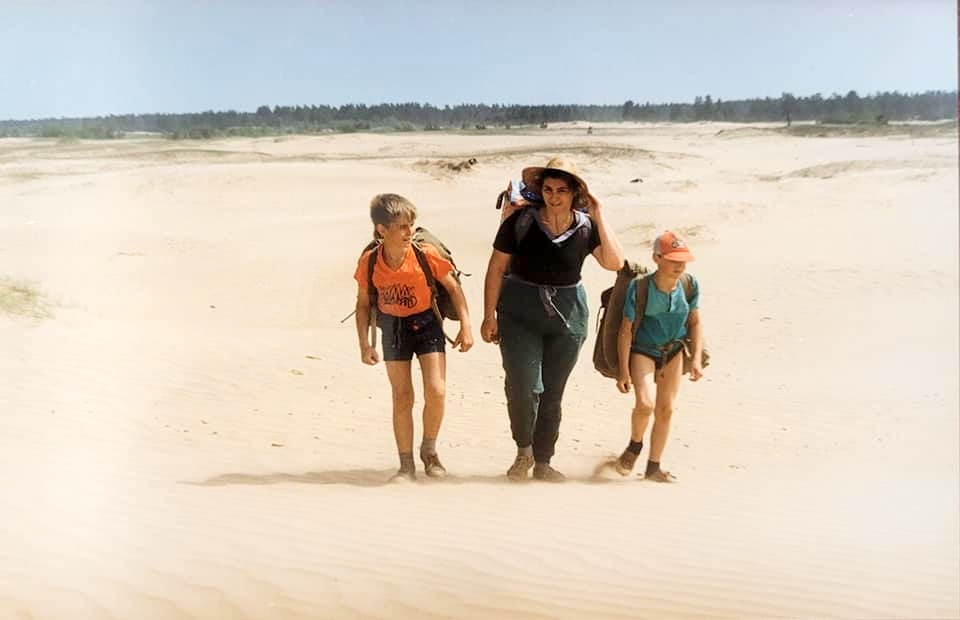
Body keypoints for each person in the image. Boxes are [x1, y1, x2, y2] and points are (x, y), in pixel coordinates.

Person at [481, 157, 624, 481]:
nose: (554, 196)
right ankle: (524, 452)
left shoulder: (586, 227)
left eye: (562, 190)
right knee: (523, 385)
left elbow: (615, 263)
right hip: (518, 312)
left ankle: (543, 461)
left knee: (552, 392)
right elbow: (496, 268)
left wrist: (600, 215)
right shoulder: (521, 222)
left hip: (569, 317)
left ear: (575, 192)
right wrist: (488, 315)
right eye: (548, 189)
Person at [354, 194, 473, 482]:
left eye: (411, 225)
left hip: (427, 323)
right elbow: (363, 304)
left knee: (437, 391)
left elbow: (454, 288)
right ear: (382, 230)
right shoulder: (370, 262)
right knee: (402, 396)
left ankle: (429, 451)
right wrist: (365, 345)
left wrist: (466, 326)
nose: (409, 232)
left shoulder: (426, 254)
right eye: (402, 227)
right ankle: (405, 465)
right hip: (393, 327)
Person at [612, 231, 705, 482]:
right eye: (673, 259)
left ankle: (653, 468)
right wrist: (623, 371)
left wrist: (695, 358)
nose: (679, 265)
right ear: (657, 258)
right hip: (643, 349)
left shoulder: (689, 284)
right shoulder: (640, 287)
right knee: (645, 404)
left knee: (666, 410)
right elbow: (625, 330)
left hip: (673, 351)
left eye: (682, 260)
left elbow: (695, 323)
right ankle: (635, 445)